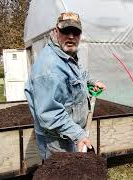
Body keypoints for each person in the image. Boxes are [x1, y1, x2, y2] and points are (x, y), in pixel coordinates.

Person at [25, 12, 106, 160]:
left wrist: (92, 82)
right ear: (56, 31)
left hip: (69, 133)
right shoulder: (50, 69)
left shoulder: (66, 55)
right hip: (56, 140)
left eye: (75, 32)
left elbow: (79, 72)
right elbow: (50, 114)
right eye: (65, 31)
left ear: (80, 34)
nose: (71, 36)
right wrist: (78, 134)